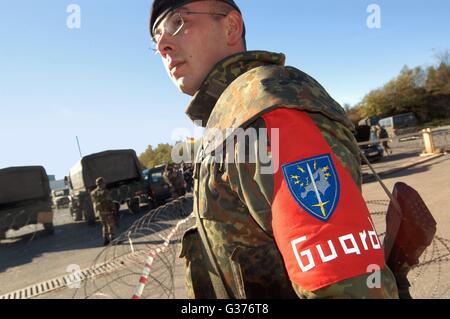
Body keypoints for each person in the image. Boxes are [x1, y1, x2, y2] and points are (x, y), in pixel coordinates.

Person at [150, 0, 398, 298]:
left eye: (178, 22)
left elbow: (349, 288)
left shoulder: (263, 105)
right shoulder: (229, 117)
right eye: (156, 38)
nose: (163, 44)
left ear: (231, 27)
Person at [91, 177, 116, 246]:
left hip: (100, 212)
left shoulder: (93, 193)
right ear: (102, 183)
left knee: (104, 226)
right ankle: (113, 239)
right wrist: (113, 208)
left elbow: (94, 202)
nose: (105, 184)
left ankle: (106, 240)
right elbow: (109, 201)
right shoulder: (106, 192)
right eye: (104, 183)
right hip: (107, 211)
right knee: (110, 225)